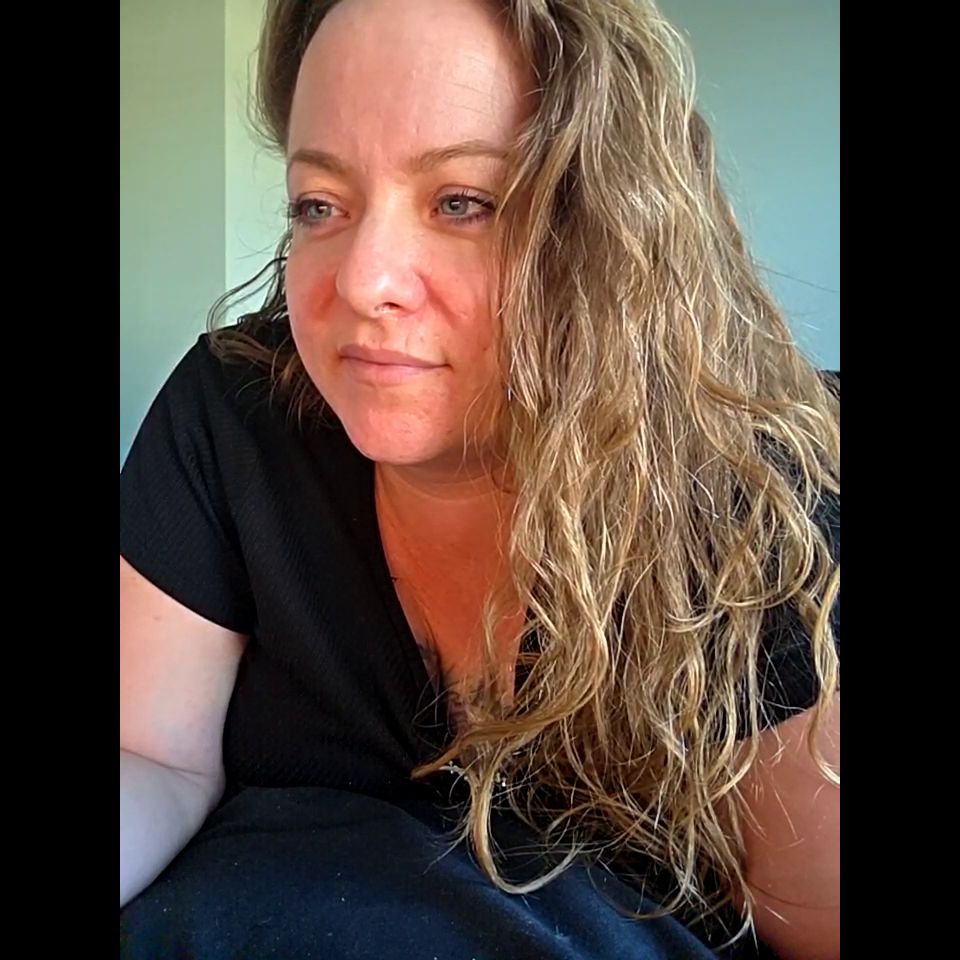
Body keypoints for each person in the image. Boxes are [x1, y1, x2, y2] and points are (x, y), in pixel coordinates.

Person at [119, 0, 840, 957]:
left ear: (612, 230)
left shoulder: (750, 500)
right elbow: (151, 756)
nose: (362, 282)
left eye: (463, 201)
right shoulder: (235, 410)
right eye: (319, 204)